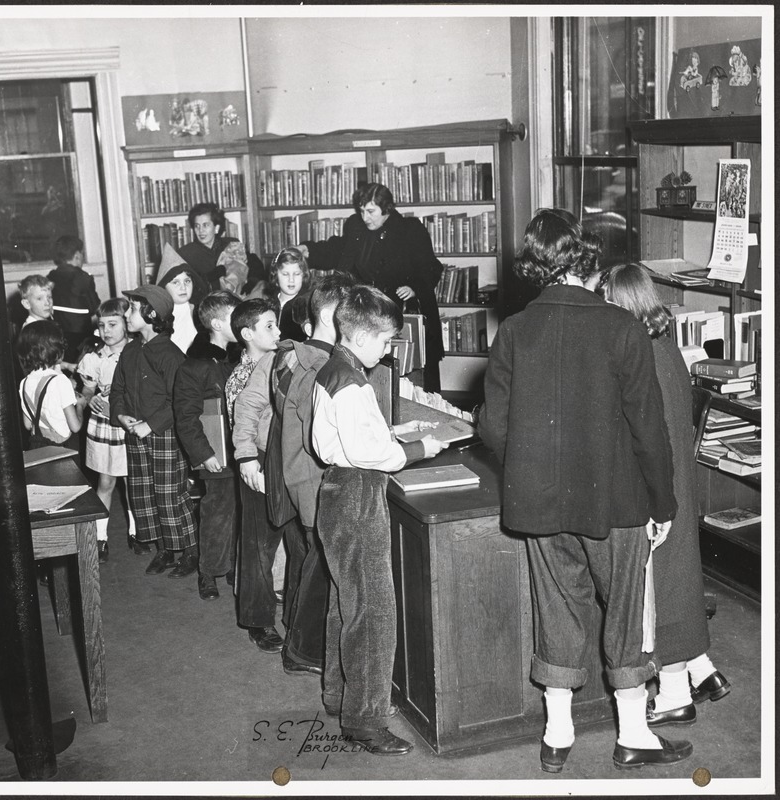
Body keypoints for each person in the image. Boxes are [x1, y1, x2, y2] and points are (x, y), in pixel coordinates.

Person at [476, 208, 690, 772]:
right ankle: (635, 736)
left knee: (557, 610)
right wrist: (662, 503)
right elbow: (650, 429)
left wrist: (529, 464)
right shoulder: (621, 326)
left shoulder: (516, 331)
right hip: (618, 502)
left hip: (540, 502)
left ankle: (557, 734)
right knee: (624, 612)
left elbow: (492, 426)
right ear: (585, 260)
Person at [312, 284, 447, 755]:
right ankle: (366, 721)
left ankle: (340, 695)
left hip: (336, 493)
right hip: (358, 493)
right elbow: (370, 453)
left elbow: (350, 436)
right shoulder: (352, 383)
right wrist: (418, 448)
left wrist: (391, 430)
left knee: (345, 602)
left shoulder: (334, 369)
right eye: (389, 341)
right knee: (373, 612)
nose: (390, 350)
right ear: (365, 338)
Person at [600, 263, 731, 723]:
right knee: (677, 581)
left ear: (621, 302)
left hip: (658, 487)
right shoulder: (664, 344)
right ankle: (701, 669)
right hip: (679, 479)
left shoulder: (636, 354)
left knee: (659, 592)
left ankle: (675, 695)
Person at [273, 271, 357, 676]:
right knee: (321, 567)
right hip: (314, 479)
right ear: (333, 314)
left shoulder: (300, 353)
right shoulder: (319, 365)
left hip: (301, 475)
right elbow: (320, 435)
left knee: (313, 561)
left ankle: (299, 641)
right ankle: (303, 651)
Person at [299, 183, 444, 392]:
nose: (365, 217)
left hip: (406, 309)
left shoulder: (410, 229)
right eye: (361, 211)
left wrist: (415, 288)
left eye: (371, 211)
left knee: (413, 375)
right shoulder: (357, 228)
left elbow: (432, 267)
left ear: (387, 209)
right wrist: (308, 249)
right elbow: (338, 249)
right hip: (369, 312)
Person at [110, 285, 199, 578]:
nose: (127, 313)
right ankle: (165, 547)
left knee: (170, 494)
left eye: (133, 308)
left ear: (151, 314)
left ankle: (189, 550)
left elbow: (181, 401)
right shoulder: (131, 351)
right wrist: (122, 416)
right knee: (145, 492)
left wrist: (151, 424)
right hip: (135, 434)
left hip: (163, 435)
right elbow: (118, 389)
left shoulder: (171, 355)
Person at [226, 298, 287, 652]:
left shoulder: (277, 362)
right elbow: (243, 426)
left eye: (277, 324)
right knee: (258, 544)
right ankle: (258, 621)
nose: (277, 332)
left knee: (279, 539)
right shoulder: (241, 377)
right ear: (247, 333)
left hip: (281, 456)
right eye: (269, 326)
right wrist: (251, 463)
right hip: (257, 460)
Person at [173, 290, 242, 600]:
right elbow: (186, 418)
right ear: (216, 323)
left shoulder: (241, 356)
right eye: (234, 318)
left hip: (245, 449)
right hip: (216, 452)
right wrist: (204, 454)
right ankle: (209, 571)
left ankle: (231, 565)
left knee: (241, 511)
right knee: (217, 511)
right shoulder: (195, 365)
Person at [77, 297, 138, 562]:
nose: (106, 331)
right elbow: (88, 390)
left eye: (113, 324)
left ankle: (137, 532)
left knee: (133, 482)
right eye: (102, 325)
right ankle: (101, 537)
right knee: (106, 481)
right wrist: (92, 400)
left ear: (127, 323)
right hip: (104, 426)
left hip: (129, 424)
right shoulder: (94, 359)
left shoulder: (137, 353)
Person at [17, 319, 87, 451]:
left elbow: (27, 424)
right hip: (64, 447)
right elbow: (75, 426)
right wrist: (80, 406)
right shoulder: (60, 380)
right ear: (57, 350)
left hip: (38, 445)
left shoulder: (24, 382)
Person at [177, 202, 265, 294]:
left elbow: (255, 267)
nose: (200, 231)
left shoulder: (232, 245)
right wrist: (212, 275)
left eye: (205, 225)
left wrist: (251, 283)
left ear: (216, 228)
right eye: (197, 226)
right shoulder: (185, 254)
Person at [47, 235, 101, 364]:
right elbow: (94, 307)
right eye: (82, 254)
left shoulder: (51, 276)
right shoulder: (84, 278)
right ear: (77, 255)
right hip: (81, 335)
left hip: (58, 332)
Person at [155, 243, 211, 354]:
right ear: (164, 287)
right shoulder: (159, 318)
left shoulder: (201, 313)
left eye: (187, 281)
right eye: (175, 282)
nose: (183, 287)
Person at [266, 247, 312, 342]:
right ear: (276, 275)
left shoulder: (307, 307)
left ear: (303, 275)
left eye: (296, 274)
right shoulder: (268, 305)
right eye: (285, 274)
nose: (291, 280)